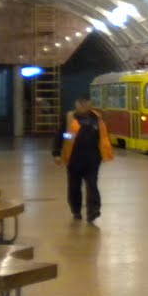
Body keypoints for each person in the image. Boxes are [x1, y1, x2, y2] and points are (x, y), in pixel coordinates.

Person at [52, 95, 114, 223]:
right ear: (76, 104)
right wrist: (56, 153)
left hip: (92, 159)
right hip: (73, 159)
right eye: (80, 103)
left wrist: (104, 154)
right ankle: (76, 210)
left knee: (92, 185)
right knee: (74, 187)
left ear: (90, 104)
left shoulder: (97, 118)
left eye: (85, 103)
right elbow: (60, 134)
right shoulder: (69, 118)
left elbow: (103, 137)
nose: (83, 105)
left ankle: (93, 211)